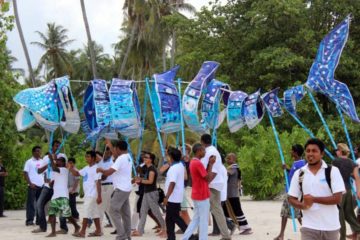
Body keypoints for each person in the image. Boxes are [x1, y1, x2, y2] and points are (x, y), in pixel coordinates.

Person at [288, 138, 345, 240]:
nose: (310, 154)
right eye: (308, 151)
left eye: (314, 151)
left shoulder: (332, 171)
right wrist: (302, 205)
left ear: (322, 154)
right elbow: (291, 198)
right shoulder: (300, 173)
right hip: (309, 226)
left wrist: (313, 199)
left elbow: (337, 199)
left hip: (331, 227)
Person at [97, 140, 132, 240]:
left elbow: (108, 172)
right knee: (125, 213)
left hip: (121, 189)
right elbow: (116, 156)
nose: (114, 151)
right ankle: (128, 235)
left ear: (118, 149)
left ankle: (121, 235)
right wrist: (110, 145)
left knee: (112, 210)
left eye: (115, 149)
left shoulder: (121, 159)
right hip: (127, 188)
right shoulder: (127, 156)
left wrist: (100, 170)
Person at [182, 143, 216, 240]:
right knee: (203, 220)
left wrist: (209, 164)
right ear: (199, 151)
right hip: (202, 194)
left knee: (196, 219)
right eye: (203, 150)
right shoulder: (197, 163)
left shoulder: (193, 162)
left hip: (197, 193)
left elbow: (203, 176)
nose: (205, 152)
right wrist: (211, 164)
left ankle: (185, 238)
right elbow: (208, 178)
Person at [200, 134, 231, 240]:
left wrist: (206, 183)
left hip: (211, 184)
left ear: (202, 142)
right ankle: (201, 234)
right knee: (209, 210)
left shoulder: (210, 152)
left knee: (214, 210)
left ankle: (225, 235)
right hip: (212, 184)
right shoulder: (211, 151)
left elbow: (213, 171)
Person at [33, 140, 67, 233]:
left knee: (60, 207)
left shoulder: (62, 156)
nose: (57, 148)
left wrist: (54, 160)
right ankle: (42, 227)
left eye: (59, 146)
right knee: (39, 205)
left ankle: (63, 228)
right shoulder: (45, 157)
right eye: (56, 146)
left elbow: (64, 169)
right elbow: (39, 171)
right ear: (52, 147)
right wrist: (48, 164)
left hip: (58, 186)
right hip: (47, 186)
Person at [274, 145, 305, 240]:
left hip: (294, 194)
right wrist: (287, 169)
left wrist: (298, 193)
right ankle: (281, 235)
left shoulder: (301, 164)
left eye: (292, 150)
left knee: (296, 214)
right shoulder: (296, 163)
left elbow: (301, 178)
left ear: (295, 152)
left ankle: (309, 233)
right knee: (285, 213)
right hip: (291, 192)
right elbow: (293, 174)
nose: (290, 152)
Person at [68, 150, 102, 237]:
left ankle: (82, 232)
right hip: (89, 194)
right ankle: (98, 230)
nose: (86, 158)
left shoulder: (96, 168)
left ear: (94, 158)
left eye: (88, 156)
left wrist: (99, 196)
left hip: (92, 194)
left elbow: (98, 182)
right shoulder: (86, 168)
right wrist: (71, 168)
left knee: (86, 212)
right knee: (94, 213)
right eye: (86, 156)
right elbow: (77, 173)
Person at [132, 151, 166, 237]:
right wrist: (139, 178)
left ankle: (165, 228)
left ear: (151, 160)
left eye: (146, 157)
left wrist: (140, 180)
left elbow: (150, 181)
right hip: (147, 192)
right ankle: (140, 231)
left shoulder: (152, 169)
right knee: (143, 211)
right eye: (144, 157)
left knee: (156, 212)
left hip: (152, 193)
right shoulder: (147, 168)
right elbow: (139, 171)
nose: (144, 158)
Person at [46, 155, 80, 237]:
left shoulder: (64, 169)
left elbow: (54, 168)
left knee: (66, 214)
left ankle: (77, 226)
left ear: (64, 163)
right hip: (55, 194)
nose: (57, 161)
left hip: (63, 195)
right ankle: (53, 232)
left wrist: (51, 159)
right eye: (57, 160)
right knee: (52, 213)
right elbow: (53, 182)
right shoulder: (56, 171)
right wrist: (50, 183)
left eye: (59, 160)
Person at [332, 143, 360, 240]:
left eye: (337, 150)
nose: (336, 152)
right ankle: (358, 229)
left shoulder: (335, 162)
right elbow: (357, 178)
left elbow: (333, 177)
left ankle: (342, 237)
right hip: (348, 191)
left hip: (339, 192)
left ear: (340, 151)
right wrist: (358, 192)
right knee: (349, 214)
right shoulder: (353, 163)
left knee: (340, 216)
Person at [163, 147, 188, 240]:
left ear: (171, 157)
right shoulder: (180, 165)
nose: (167, 157)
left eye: (168, 155)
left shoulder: (174, 168)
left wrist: (166, 197)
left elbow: (172, 183)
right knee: (169, 219)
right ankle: (171, 237)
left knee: (176, 218)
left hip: (172, 197)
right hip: (176, 196)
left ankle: (190, 236)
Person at [23, 145, 43, 226]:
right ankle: (29, 220)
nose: (39, 152)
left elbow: (44, 173)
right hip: (32, 186)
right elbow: (25, 173)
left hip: (41, 186)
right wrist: (30, 184)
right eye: (37, 151)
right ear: (33, 152)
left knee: (40, 203)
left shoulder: (42, 161)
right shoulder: (29, 162)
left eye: (40, 151)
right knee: (31, 203)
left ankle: (39, 220)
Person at [59, 157, 80, 232]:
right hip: (67, 189)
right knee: (69, 205)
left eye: (71, 163)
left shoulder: (75, 170)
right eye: (69, 162)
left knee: (72, 204)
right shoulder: (67, 170)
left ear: (74, 163)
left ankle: (76, 216)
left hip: (73, 189)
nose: (70, 164)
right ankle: (72, 219)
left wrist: (74, 189)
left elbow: (77, 180)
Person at [97, 147, 114, 227]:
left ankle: (99, 229)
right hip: (102, 186)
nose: (106, 154)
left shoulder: (111, 162)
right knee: (108, 209)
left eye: (108, 153)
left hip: (108, 185)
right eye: (105, 152)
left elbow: (104, 176)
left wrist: (100, 174)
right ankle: (117, 227)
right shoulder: (101, 163)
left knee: (101, 207)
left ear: (111, 154)